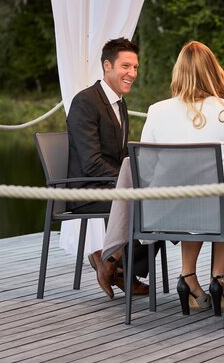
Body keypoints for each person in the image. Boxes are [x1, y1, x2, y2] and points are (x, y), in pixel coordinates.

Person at [141, 41, 224, 316]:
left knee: (194, 204)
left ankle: (188, 276)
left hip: (168, 207)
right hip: (216, 207)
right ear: (213, 71)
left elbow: (147, 161)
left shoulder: (157, 110)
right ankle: (218, 278)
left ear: (178, 72)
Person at [66, 37, 153, 300]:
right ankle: (118, 266)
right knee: (149, 204)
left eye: (136, 67)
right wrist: (130, 180)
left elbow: (121, 154)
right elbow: (92, 162)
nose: (132, 73)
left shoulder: (119, 102)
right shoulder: (85, 102)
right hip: (85, 190)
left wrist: (145, 170)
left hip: (111, 185)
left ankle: (114, 263)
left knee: (160, 199)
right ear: (107, 66)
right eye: (126, 66)